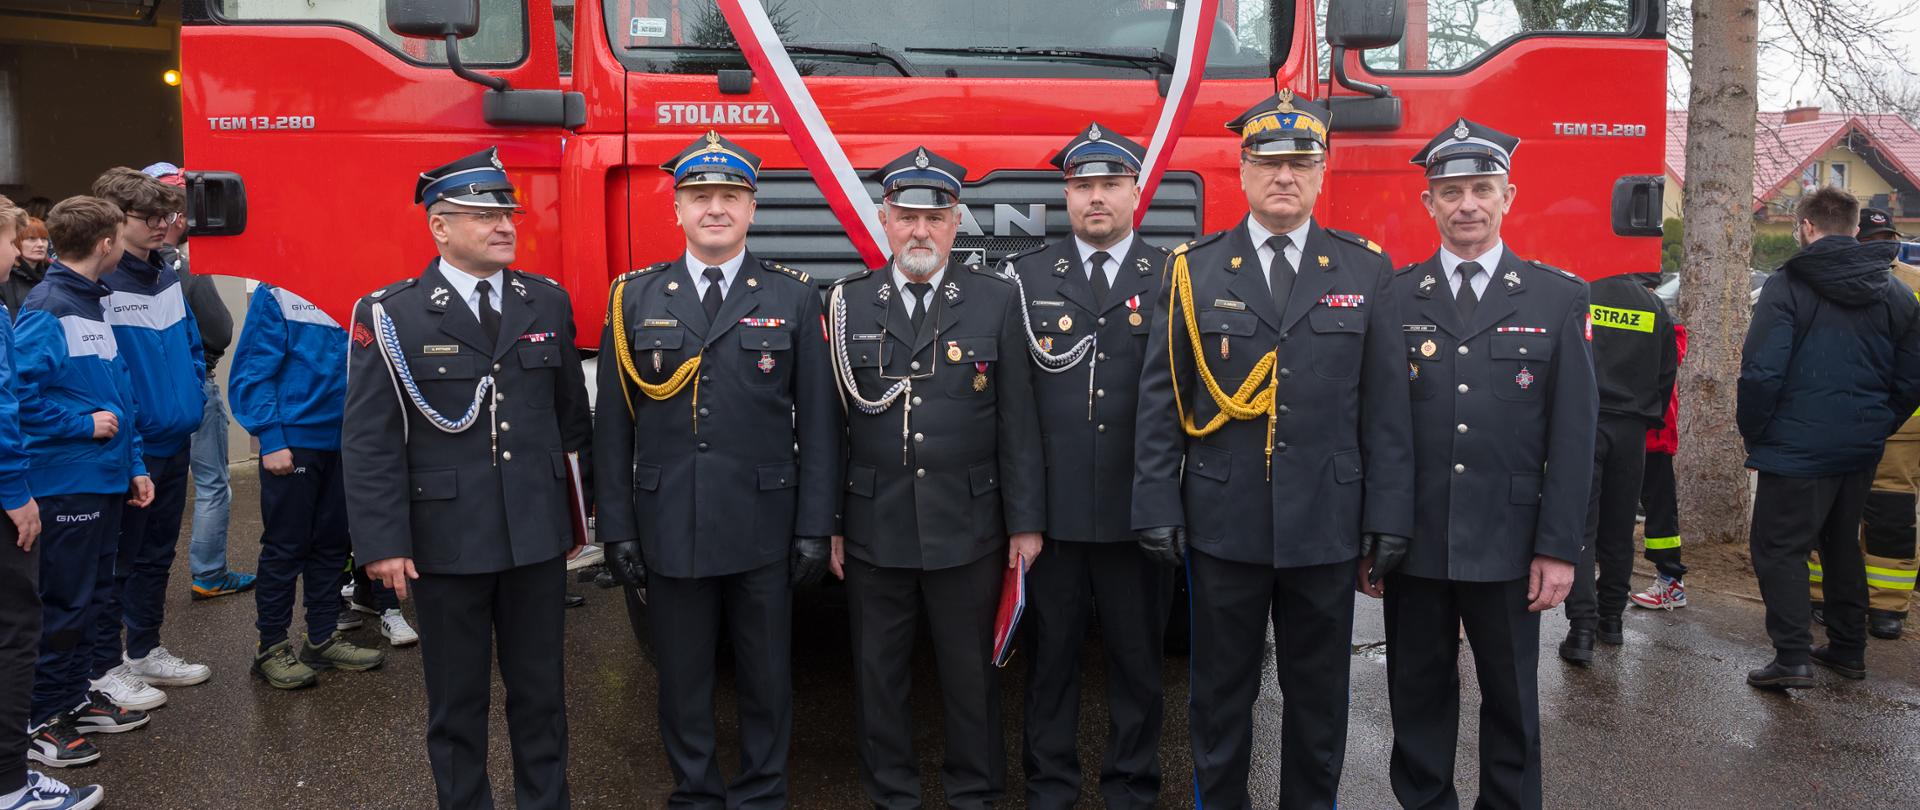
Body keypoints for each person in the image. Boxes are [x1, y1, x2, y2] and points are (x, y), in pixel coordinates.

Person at [1132, 91, 1414, 809]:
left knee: (1319, 706)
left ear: (1324, 172)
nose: (1284, 176)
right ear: (1242, 169)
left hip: (1326, 526)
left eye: (1301, 163)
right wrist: (1157, 503)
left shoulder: (1365, 272)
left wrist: (1388, 517)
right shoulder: (1193, 270)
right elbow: (1164, 400)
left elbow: (1385, 412)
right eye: (1268, 162)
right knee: (1219, 702)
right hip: (1224, 525)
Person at [594, 130, 840, 808]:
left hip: (764, 522)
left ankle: (762, 792)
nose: (715, 209)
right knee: (682, 677)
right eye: (700, 197)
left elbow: (819, 425)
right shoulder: (634, 298)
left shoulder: (793, 297)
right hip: (668, 522)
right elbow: (613, 430)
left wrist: (816, 526)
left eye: (729, 197)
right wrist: (615, 528)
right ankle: (696, 793)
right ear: (675, 209)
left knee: (766, 675)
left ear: (752, 209)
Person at [342, 147, 592, 809]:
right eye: (483, 214)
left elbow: (572, 419)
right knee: (457, 705)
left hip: (534, 537)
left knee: (542, 697)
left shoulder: (546, 301)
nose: (504, 224)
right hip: (445, 542)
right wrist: (381, 541)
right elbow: (369, 441)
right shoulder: (391, 314)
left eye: (507, 211)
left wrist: (584, 517)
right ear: (440, 227)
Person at [1379, 119, 1596, 809]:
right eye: (1450, 191)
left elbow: (1573, 438)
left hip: (1510, 544)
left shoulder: (1558, 298)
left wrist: (1559, 550)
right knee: (1416, 698)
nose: (1466, 204)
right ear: (1429, 204)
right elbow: (1379, 431)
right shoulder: (1395, 298)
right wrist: (1374, 538)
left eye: (1481, 189)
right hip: (1415, 541)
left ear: (1509, 196)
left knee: (1511, 703)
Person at [826, 146, 1044, 809]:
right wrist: (829, 526)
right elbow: (832, 428)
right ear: (884, 221)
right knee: (878, 675)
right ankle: (892, 794)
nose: (920, 230)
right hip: (873, 524)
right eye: (906, 216)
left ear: (957, 222)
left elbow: (1019, 423)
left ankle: (974, 792)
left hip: (969, 524)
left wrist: (1026, 524)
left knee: (971, 676)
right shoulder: (846, 304)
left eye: (935, 217)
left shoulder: (997, 302)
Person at [1002, 123, 1171, 810]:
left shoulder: (1172, 275)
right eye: (1082, 187)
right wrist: (1024, 518)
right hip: (1056, 518)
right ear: (1066, 196)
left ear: (1136, 192)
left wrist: (1168, 507)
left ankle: (1132, 787)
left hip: (1140, 513)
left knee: (1139, 665)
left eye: (1109, 185)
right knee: (1051, 665)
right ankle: (1050, 787)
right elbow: (1014, 412)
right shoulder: (1027, 276)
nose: (1095, 198)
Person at [1738, 188, 1920, 689]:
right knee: (1841, 545)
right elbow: (1910, 377)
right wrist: (1878, 423)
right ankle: (1847, 648)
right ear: (1855, 229)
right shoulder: (1895, 292)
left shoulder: (1788, 284)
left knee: (1779, 548)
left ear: (1807, 227)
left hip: (1796, 448)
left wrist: (1757, 432)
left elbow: (1759, 373)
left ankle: (1793, 656)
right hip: (1858, 447)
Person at [14, 195, 155, 768]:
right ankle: (42, 719)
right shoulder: (48, 306)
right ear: (105, 245)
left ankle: (73, 699)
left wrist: (135, 463)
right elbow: (19, 398)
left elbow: (116, 391)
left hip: (104, 478)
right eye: (120, 238)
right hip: (67, 480)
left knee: (95, 598)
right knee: (66, 603)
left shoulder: (92, 303)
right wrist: (80, 425)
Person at [88, 167, 213, 708]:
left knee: (157, 555)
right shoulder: (98, 285)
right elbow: (102, 375)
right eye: (152, 217)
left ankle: (143, 650)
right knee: (117, 561)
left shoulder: (165, 275)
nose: (165, 225)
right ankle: (104, 666)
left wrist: (191, 393)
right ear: (116, 222)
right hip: (129, 449)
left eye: (169, 215)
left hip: (175, 437)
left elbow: (189, 342)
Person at [0, 194, 107, 810]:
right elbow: (12, 404)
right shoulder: (45, 307)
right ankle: (16, 772)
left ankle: (57, 711)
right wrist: (17, 490)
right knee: (29, 623)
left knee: (82, 595)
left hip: (91, 471)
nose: (22, 253)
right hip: (53, 476)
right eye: (15, 241)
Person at [230, 282, 387, 687]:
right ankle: (271, 646)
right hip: (295, 441)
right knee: (286, 546)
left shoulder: (360, 285)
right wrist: (271, 436)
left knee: (333, 543)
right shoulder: (276, 291)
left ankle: (320, 638)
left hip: (347, 440)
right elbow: (253, 369)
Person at [139, 162, 255, 602]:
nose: (188, 219)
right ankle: (209, 573)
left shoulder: (136, 264)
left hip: (167, 388)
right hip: (193, 383)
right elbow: (215, 327)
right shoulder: (176, 265)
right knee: (210, 483)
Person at [1806, 207, 1920, 638]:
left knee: (1888, 513)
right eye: (1870, 238)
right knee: (1830, 511)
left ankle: (1888, 605)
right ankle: (1822, 594)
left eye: (1884, 237)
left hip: (1901, 424)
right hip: (1847, 416)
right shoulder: (1835, 279)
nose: (1878, 246)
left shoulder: (1912, 285)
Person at [1559, 270, 1676, 662]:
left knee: (1582, 528)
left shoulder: (1583, 292)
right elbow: (1666, 371)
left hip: (1585, 423)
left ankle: (1581, 631)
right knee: (1618, 530)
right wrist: (1647, 415)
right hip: (1632, 428)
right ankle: (1611, 621)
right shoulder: (1654, 305)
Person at [1631, 318, 1690, 610]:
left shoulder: (1666, 323)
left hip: (1655, 435)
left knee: (1660, 514)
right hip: (1624, 431)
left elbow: (1668, 357)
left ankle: (1671, 582)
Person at [2, 216, 49, 317]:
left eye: (44, 239)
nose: (40, 244)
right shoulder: (4, 276)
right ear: (17, 242)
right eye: (32, 239)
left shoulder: (53, 275)